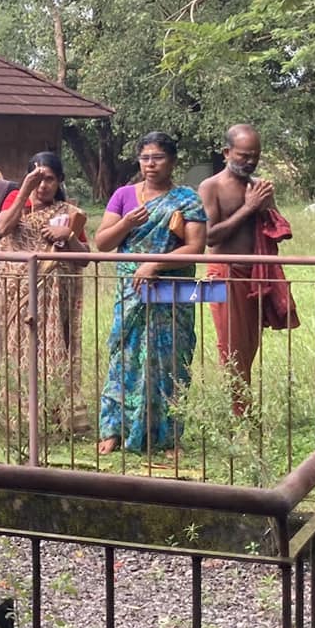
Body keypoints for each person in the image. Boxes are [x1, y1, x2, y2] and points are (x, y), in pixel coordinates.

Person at [93, 132, 208, 457]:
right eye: (145, 158)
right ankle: (114, 429)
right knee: (124, 359)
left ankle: (168, 437)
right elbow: (102, 242)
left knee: (170, 360)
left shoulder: (188, 199)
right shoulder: (124, 196)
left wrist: (154, 265)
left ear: (172, 161)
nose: (151, 164)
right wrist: (127, 223)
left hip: (171, 292)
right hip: (131, 291)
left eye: (158, 157)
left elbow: (196, 247)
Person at [197, 125, 298, 413]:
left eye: (255, 156)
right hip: (224, 274)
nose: (250, 162)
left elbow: (277, 229)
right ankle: (241, 413)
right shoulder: (211, 186)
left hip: (256, 274)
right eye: (243, 156)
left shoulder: (259, 186)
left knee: (249, 345)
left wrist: (265, 207)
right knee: (231, 346)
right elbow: (210, 236)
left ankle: (241, 407)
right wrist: (248, 209)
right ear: (227, 152)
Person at [0, 152, 90, 430]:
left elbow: (84, 258)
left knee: (52, 349)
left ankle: (54, 414)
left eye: (49, 179)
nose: (43, 185)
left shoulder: (68, 213)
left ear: (59, 180)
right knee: (18, 350)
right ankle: (20, 417)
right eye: (37, 179)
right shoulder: (15, 205)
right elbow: (1, 228)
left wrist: (68, 237)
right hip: (16, 294)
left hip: (54, 296)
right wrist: (24, 190)